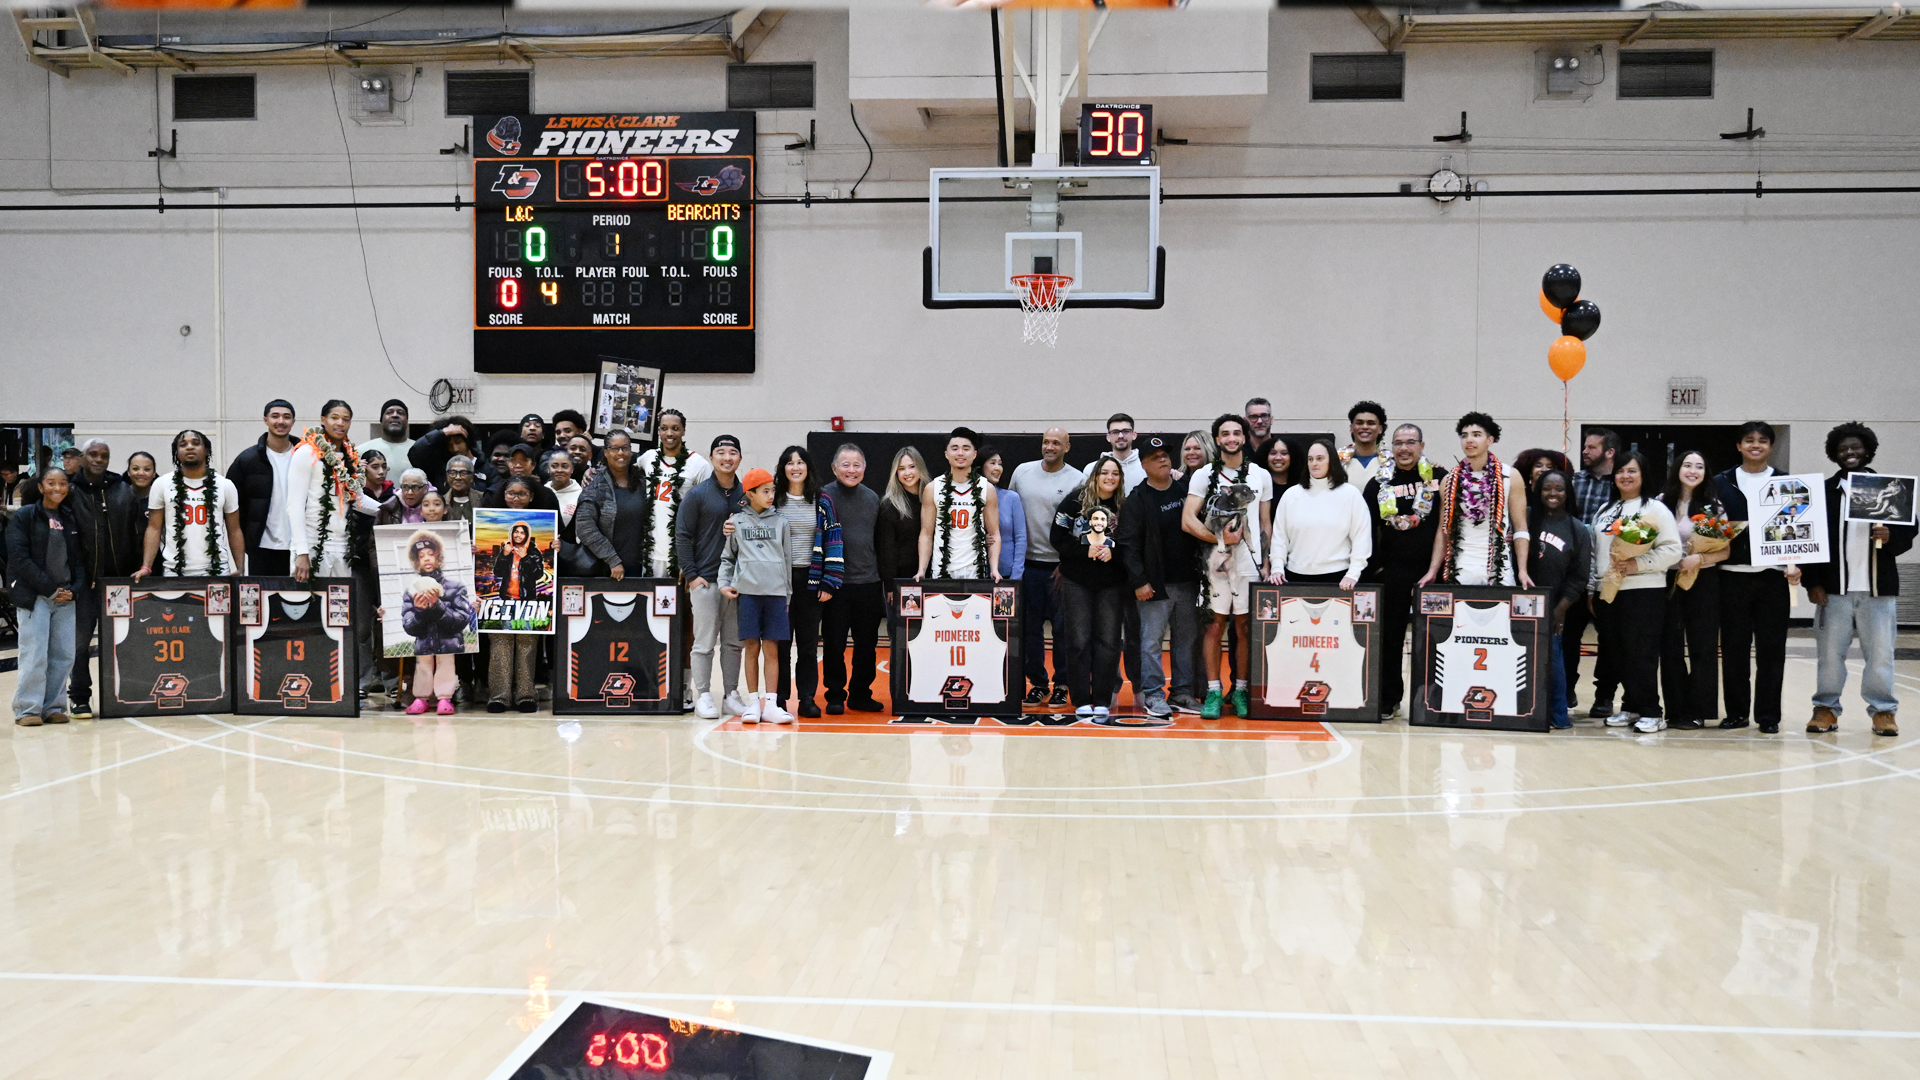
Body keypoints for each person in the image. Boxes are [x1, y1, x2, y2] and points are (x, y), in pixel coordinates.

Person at [1807, 422, 1914, 736]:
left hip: (1878, 591)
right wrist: (1812, 582)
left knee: (1880, 656)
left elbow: (1908, 534)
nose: (1849, 453)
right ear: (1834, 455)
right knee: (1829, 656)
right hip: (1833, 591)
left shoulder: (1889, 488)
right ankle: (1825, 709)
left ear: (1867, 450)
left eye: (1855, 447)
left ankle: (1883, 712)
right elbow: (1808, 539)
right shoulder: (1822, 493)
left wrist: (1890, 535)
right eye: (1842, 449)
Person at [1182, 413, 1273, 719]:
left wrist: (1269, 561)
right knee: (1213, 626)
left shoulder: (1261, 475)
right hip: (1215, 564)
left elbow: (1264, 522)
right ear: (1217, 439)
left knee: (1246, 628)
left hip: (1249, 564)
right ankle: (1213, 691)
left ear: (1244, 438)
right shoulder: (1203, 475)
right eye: (1225, 433)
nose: (1231, 438)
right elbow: (1187, 520)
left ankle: (1242, 689)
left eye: (1237, 433)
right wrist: (1218, 538)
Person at [1713, 421, 1800, 734]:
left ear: (1770, 447)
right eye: (1749, 440)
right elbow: (1708, 527)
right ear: (1739, 446)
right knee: (1734, 650)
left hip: (1772, 580)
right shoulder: (1719, 483)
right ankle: (1736, 713)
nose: (1755, 445)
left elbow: (1798, 528)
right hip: (1731, 578)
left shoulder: (1787, 482)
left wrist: (1796, 562)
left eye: (1762, 441)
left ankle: (1768, 716)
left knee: (1772, 651)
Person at [1589, 451, 1682, 732]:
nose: (1625, 476)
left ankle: (1652, 712)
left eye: (1632, 471)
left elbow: (1673, 550)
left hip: (1643, 592)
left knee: (1641, 653)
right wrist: (1594, 589)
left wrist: (1637, 563)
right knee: (1617, 653)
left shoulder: (1655, 509)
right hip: (1609, 592)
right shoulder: (1604, 510)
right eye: (1620, 471)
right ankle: (1630, 707)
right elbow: (1596, 555)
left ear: (1643, 476)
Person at [1359, 424, 1447, 721]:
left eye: (1411, 442)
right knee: (1390, 637)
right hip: (1392, 571)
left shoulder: (1439, 478)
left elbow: (1448, 523)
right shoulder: (1377, 484)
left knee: (1435, 639)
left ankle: (1434, 700)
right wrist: (1376, 568)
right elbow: (1367, 529)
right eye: (1398, 443)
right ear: (1391, 446)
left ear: (1422, 446)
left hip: (1431, 572)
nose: (1404, 448)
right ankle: (1389, 698)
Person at [1120, 437, 1201, 716]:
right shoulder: (1137, 500)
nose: (1164, 460)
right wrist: (1139, 581)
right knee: (1151, 642)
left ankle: (1182, 692)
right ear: (1143, 465)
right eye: (1155, 458)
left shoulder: (1185, 490)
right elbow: (1127, 546)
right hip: (1155, 586)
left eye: (1165, 455)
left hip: (1188, 582)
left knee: (1186, 639)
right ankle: (1154, 695)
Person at [65, 439, 142, 719]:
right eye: (93, 455)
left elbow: (136, 536)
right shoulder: (70, 491)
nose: (99, 460)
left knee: (123, 642)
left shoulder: (123, 490)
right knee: (80, 643)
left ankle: (122, 694)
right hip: (83, 583)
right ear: (83, 457)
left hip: (119, 582)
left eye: (104, 456)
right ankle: (80, 697)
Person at [1008, 428, 1082, 706]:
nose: (1049, 447)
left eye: (1056, 443)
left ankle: (1062, 683)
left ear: (1067, 447)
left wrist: (1068, 562)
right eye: (1046, 442)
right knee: (1030, 629)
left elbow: (1080, 525)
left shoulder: (1078, 479)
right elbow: (1010, 513)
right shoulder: (1022, 472)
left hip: (1061, 568)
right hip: (1027, 566)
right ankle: (1038, 683)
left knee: (1064, 630)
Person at [7, 467, 86, 726]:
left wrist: (74, 589)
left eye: (63, 483)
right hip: (36, 596)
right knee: (35, 653)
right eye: (51, 483)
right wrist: (50, 589)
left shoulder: (70, 518)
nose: (57, 488)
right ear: (40, 487)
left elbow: (79, 560)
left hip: (65, 598)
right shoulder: (26, 516)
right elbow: (19, 559)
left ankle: (53, 706)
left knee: (64, 655)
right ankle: (28, 709)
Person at [1051, 455, 1128, 716]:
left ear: (1120, 479)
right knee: (1078, 640)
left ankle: (1103, 699)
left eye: (1115, 474)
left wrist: (1113, 553)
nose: (1109, 478)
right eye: (1104, 472)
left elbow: (1132, 543)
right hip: (1077, 581)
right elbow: (1057, 537)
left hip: (1112, 584)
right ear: (1095, 475)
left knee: (1108, 641)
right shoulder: (1074, 501)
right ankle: (1082, 698)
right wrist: (1085, 549)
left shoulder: (1125, 507)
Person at [678, 434, 748, 719]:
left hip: (740, 583)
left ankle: (731, 694)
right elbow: (682, 536)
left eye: (733, 452)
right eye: (721, 452)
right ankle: (703, 693)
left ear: (740, 459)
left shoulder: (749, 495)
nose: (727, 457)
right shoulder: (697, 494)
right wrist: (693, 576)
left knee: (734, 644)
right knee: (704, 643)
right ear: (711, 458)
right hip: (707, 580)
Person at [1658, 450, 1729, 729]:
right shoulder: (1661, 503)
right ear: (1677, 469)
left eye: (1699, 466)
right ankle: (1675, 709)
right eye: (1687, 465)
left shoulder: (1713, 506)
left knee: (1703, 646)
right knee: (1670, 646)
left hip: (1704, 581)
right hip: (1667, 580)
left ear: (1705, 473)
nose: (1692, 470)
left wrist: (1700, 558)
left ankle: (1698, 710)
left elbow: (1724, 551)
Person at [1421, 412, 1533, 589]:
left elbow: (1520, 528)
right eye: (1464, 436)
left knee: (1500, 615)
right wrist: (1433, 570)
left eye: (1476, 435)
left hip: (1499, 567)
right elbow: (1443, 530)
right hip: (1460, 567)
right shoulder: (1450, 480)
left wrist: (1523, 571)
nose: (1469, 440)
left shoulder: (1510, 475)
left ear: (1490, 440)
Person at [814, 443, 886, 715]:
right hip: (835, 585)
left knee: (867, 645)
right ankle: (834, 695)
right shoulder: (822, 497)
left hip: (868, 582)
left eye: (857, 465)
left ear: (864, 469)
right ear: (834, 468)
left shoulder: (872, 499)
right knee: (834, 644)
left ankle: (860, 694)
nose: (851, 470)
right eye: (845, 464)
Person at [720, 467, 794, 724]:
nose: (771, 495)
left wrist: (787, 596)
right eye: (765, 491)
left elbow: (787, 560)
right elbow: (728, 558)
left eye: (773, 490)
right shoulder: (736, 523)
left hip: (774, 595)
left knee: (772, 649)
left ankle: (771, 704)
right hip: (748, 595)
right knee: (751, 648)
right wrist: (723, 583)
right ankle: (753, 703)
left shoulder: (781, 522)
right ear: (750, 494)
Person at [286, 401, 385, 581]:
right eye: (335, 418)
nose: (340, 423)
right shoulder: (306, 453)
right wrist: (302, 551)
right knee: (312, 606)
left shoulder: (351, 456)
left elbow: (357, 500)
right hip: (313, 542)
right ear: (323, 420)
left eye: (345, 419)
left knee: (340, 606)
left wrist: (391, 509)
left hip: (343, 545)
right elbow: (294, 506)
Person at [1565, 427, 1621, 715]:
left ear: (1609, 452)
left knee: (1609, 637)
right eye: (1584, 447)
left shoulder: (1622, 484)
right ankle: (1566, 690)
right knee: (1569, 635)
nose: (1584, 452)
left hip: (1609, 572)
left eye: (1591, 448)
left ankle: (1604, 695)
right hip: (1576, 572)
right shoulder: (1575, 481)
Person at [1527, 470, 1589, 730]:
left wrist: (1561, 608)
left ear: (1568, 493)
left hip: (1554, 607)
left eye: (1559, 489)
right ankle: (1521, 712)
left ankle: (1557, 717)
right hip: (1521, 602)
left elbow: (1579, 576)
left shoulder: (1577, 529)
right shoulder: (1526, 518)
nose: (1553, 494)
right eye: (1547, 489)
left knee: (1553, 661)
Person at [136, 430, 244, 579]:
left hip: (217, 571)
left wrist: (240, 568)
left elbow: (234, 530)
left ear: (206, 450)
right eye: (183, 444)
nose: (189, 447)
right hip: (174, 571)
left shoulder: (225, 485)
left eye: (195, 443)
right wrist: (146, 566)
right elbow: (154, 528)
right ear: (177, 452)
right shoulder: (162, 484)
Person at [1273, 436, 1371, 587]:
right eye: (1310, 459)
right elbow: (1279, 538)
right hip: (1295, 576)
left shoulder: (1350, 494)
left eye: (1320, 458)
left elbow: (1361, 537)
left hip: (1339, 577)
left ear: (1331, 460)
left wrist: (1353, 573)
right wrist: (1277, 568)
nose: (1314, 463)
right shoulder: (1291, 495)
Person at [770, 447, 823, 716]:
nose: (795, 467)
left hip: (810, 578)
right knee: (781, 642)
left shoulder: (820, 501)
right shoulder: (773, 500)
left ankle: (807, 698)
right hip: (780, 579)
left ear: (808, 467)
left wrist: (828, 581)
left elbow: (832, 540)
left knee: (808, 644)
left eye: (800, 461)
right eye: (790, 463)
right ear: (783, 468)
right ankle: (779, 699)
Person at [400, 528, 472, 717]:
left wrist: (438, 607)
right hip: (424, 643)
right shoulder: (411, 591)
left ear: (438, 557)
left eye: (430, 554)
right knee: (422, 665)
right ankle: (421, 698)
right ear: (416, 561)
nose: (426, 559)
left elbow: (461, 620)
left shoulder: (455, 587)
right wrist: (420, 611)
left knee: (446, 663)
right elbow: (409, 626)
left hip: (448, 642)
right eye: (421, 556)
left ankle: (445, 698)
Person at [487, 482, 545, 712]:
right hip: (504, 602)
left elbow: (539, 574)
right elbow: (497, 572)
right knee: (500, 643)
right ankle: (499, 696)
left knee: (527, 644)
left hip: (527, 602)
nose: (519, 534)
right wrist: (504, 555)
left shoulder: (534, 551)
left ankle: (526, 695)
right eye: (516, 531)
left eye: (522, 531)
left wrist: (527, 558)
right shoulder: (503, 549)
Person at [918, 427, 1001, 585]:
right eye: (955, 448)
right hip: (941, 570)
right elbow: (926, 533)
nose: (960, 453)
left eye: (966, 448)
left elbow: (994, 533)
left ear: (975, 454)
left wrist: (994, 569)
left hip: (975, 570)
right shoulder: (933, 488)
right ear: (946, 454)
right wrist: (922, 569)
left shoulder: (986, 488)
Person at [636, 410, 712, 579]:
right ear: (658, 431)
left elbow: (706, 513)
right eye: (664, 428)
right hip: (650, 552)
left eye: (675, 428)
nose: (669, 433)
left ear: (684, 430)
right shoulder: (648, 458)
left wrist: (692, 560)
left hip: (681, 553)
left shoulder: (698, 464)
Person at [227, 399, 300, 576]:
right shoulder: (247, 459)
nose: (281, 421)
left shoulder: (305, 456)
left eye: (286, 417)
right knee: (261, 601)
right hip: (261, 548)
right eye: (275, 416)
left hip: (300, 548)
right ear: (265, 419)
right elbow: (234, 506)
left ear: (293, 422)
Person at [575, 430, 648, 579]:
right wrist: (613, 560)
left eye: (625, 448)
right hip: (608, 569)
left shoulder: (643, 479)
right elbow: (584, 527)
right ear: (606, 452)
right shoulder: (595, 482)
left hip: (642, 568)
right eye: (615, 449)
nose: (621, 453)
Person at [876, 446, 928, 594]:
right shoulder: (889, 505)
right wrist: (890, 586)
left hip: (932, 576)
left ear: (920, 467)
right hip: (903, 579)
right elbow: (887, 550)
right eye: (901, 468)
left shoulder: (932, 497)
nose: (907, 473)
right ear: (896, 473)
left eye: (912, 467)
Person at [980, 446, 1027, 583]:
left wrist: (1016, 575)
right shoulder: (968, 498)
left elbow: (1021, 538)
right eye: (992, 463)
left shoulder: (1011, 498)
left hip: (1006, 573)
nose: (997, 468)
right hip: (975, 573)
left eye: (1000, 464)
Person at [484, 444, 561, 513]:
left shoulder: (547, 495)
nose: (518, 465)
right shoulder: (492, 493)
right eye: (513, 461)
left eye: (524, 461)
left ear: (533, 465)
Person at [408, 415, 477, 491]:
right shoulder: (438, 468)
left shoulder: (485, 467)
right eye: (449, 445)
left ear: (468, 441)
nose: (455, 449)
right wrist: (443, 432)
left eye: (458, 442)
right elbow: (415, 455)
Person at [1339, 401, 1387, 486]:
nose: (1365, 427)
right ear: (1351, 428)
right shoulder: (1338, 462)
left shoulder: (1390, 462)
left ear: (1380, 429)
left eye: (1371, 423)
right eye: (1359, 423)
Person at [546, 449, 582, 560]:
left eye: (565, 466)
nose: (559, 470)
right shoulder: (541, 492)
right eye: (554, 466)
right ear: (548, 469)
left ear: (572, 469)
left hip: (571, 554)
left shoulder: (582, 494)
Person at [359, 399, 414, 464]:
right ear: (381, 421)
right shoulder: (362, 451)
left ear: (407, 421)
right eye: (389, 412)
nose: (395, 415)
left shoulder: (419, 449)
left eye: (400, 413)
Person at [1106, 413, 1146, 491]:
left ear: (1134, 435)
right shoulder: (1093, 469)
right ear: (1108, 437)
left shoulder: (1147, 467)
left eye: (1126, 431)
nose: (1120, 436)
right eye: (1115, 432)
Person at [442, 456, 479, 522]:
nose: (458, 477)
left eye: (463, 473)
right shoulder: (441, 502)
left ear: (472, 477)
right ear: (447, 476)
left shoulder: (483, 499)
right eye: (452, 473)